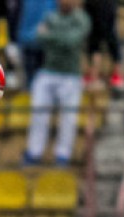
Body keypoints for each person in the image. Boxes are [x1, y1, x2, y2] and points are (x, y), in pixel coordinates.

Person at [23, 0, 89, 166]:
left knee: (68, 117)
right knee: (39, 113)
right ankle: (34, 152)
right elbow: (37, 37)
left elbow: (72, 41)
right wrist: (58, 37)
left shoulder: (81, 18)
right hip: (48, 71)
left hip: (70, 75)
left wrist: (50, 36)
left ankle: (62, 155)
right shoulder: (50, 16)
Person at [84, 0, 121, 89]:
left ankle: (114, 74)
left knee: (104, 40)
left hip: (104, 8)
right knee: (98, 40)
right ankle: (95, 75)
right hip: (99, 8)